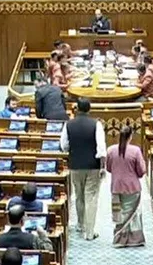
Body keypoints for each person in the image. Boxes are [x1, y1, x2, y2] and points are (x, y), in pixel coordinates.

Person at [61, 99, 105, 240]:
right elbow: (101, 148)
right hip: (92, 165)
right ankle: (90, 232)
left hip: (75, 165)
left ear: (77, 109)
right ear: (89, 109)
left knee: (79, 196)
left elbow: (64, 146)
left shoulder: (68, 124)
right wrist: (103, 166)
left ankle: (81, 224)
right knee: (91, 197)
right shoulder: (96, 124)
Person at [106, 126, 147, 247]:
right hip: (132, 187)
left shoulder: (111, 150)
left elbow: (108, 168)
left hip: (116, 186)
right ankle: (134, 239)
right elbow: (141, 170)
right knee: (133, 214)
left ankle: (120, 238)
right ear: (130, 136)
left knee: (121, 212)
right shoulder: (136, 151)